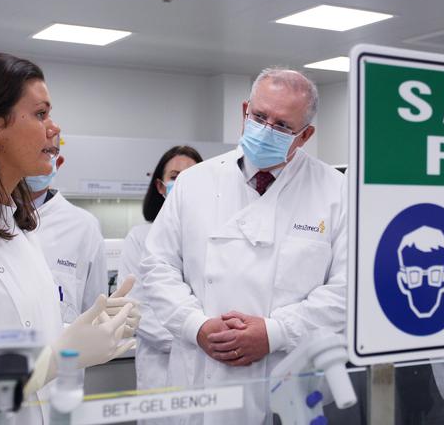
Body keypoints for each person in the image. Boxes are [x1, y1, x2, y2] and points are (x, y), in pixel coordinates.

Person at [0, 53, 138, 423]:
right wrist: (52, 360)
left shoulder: (16, 230)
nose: (54, 129)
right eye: (40, 114)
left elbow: (18, 334)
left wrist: (84, 331)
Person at [140, 67, 347, 425]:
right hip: (199, 379)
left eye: (282, 126)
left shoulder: (336, 191)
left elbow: (348, 292)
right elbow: (157, 268)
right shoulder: (193, 183)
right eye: (259, 116)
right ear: (244, 111)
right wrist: (196, 326)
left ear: (306, 135)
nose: (266, 130)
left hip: (288, 383)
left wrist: (274, 332)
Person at [118, 146, 203, 396]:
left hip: (208, 368)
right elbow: (136, 308)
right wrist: (195, 339)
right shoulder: (140, 238)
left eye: (193, 175)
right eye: (175, 176)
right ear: (160, 186)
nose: (184, 183)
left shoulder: (217, 239)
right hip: (160, 369)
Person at [26, 147, 109, 324]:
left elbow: (95, 312)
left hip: (65, 351)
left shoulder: (85, 226)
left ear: (58, 162)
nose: (37, 159)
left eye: (47, 151)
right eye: (31, 151)